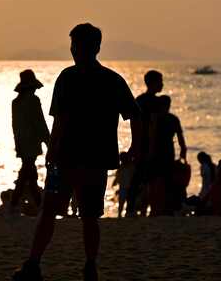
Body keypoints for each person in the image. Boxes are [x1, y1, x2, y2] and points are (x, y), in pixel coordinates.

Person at [13, 23, 141, 281]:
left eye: (76, 45)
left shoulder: (69, 77)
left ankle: (37, 264)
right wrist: (134, 147)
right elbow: (134, 115)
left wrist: (52, 151)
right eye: (72, 45)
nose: (73, 50)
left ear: (91, 47)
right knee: (87, 216)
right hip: (92, 158)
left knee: (55, 212)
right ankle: (85, 266)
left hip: (71, 158)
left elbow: (59, 120)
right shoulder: (111, 79)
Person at [10, 69, 50, 213]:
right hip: (31, 143)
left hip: (22, 143)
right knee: (28, 174)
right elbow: (40, 122)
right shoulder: (33, 101)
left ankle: (32, 204)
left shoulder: (16, 103)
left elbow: (15, 127)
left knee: (29, 173)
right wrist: (48, 141)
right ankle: (17, 203)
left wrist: (18, 145)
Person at [125, 70, 163, 217]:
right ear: (152, 83)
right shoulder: (155, 102)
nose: (162, 84)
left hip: (140, 143)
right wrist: (151, 148)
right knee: (149, 178)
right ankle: (149, 209)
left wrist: (134, 144)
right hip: (149, 144)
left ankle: (131, 208)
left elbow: (133, 123)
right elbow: (153, 125)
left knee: (138, 177)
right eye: (160, 81)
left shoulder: (139, 100)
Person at [149, 95, 187, 215]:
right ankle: (165, 208)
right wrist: (183, 150)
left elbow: (152, 136)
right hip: (167, 151)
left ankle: (157, 208)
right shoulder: (172, 118)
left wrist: (149, 152)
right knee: (166, 180)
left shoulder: (156, 118)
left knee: (157, 180)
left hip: (158, 151)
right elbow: (180, 137)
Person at [112, 151, 135, 218]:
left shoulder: (131, 167)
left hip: (130, 187)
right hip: (123, 187)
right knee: (121, 201)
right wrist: (115, 182)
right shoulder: (121, 167)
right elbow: (117, 176)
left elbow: (133, 176)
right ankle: (119, 214)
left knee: (129, 201)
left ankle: (129, 213)